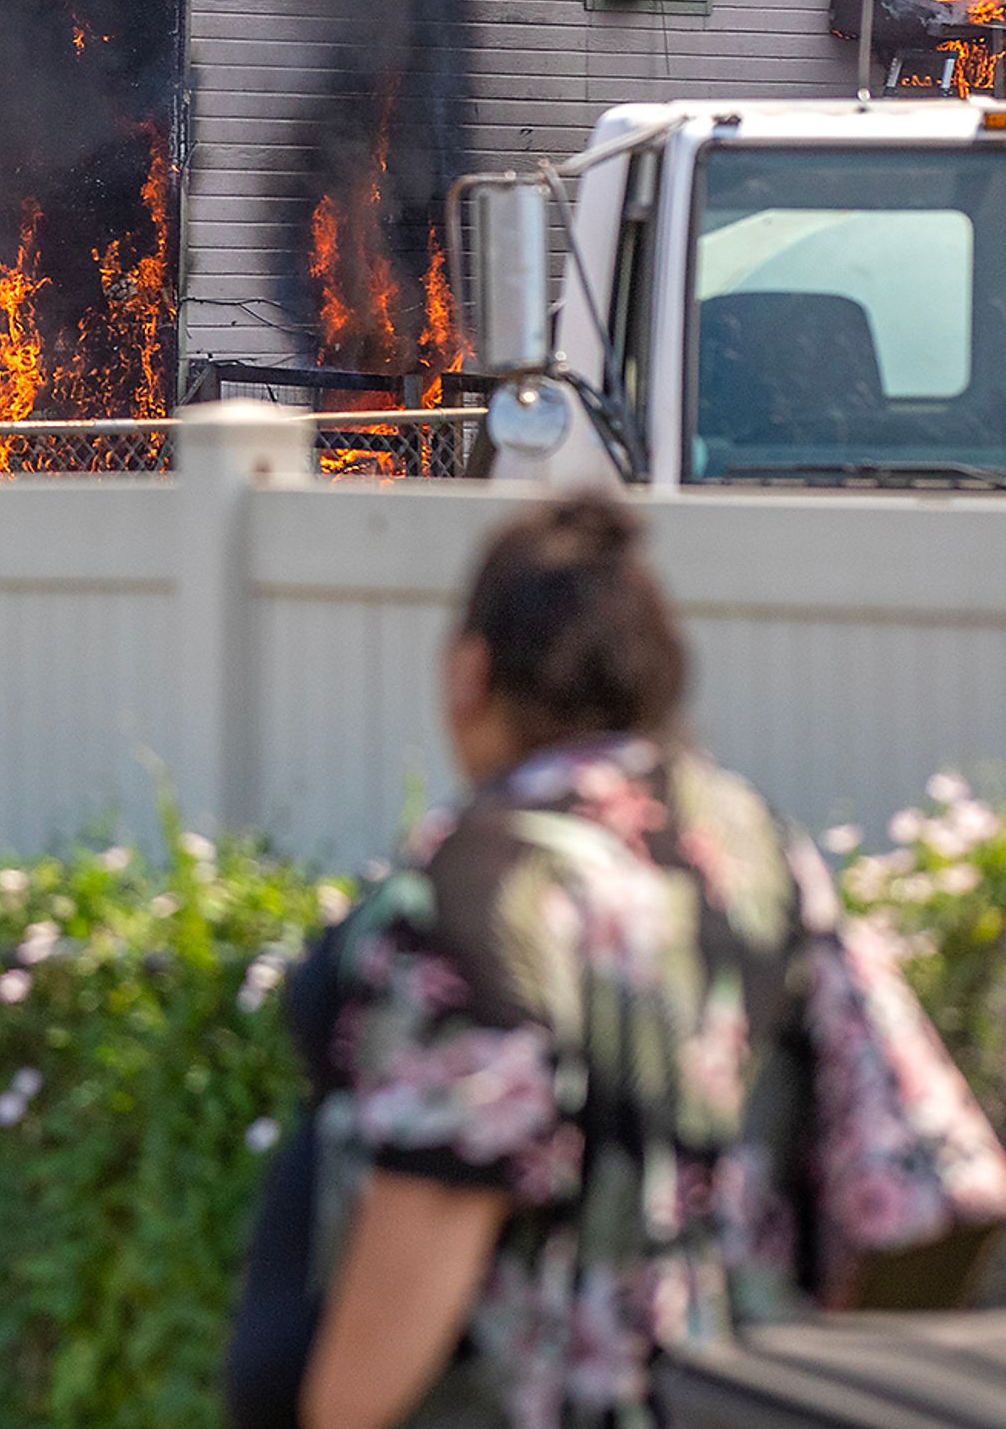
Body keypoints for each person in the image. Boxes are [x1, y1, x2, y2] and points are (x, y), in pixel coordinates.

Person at [291, 496, 824, 1429]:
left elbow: (440, 1202)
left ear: (470, 674)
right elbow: (916, 1171)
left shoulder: (484, 889)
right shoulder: (764, 854)